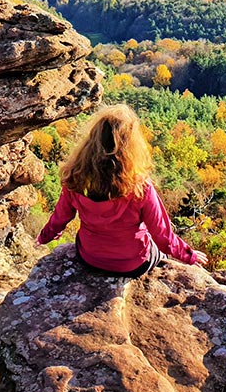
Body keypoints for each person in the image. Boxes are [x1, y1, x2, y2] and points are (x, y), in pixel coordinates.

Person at [37, 103, 208, 277]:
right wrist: (189, 255)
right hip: (132, 264)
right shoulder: (139, 186)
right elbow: (162, 236)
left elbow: (59, 219)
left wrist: (43, 238)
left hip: (90, 258)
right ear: (131, 144)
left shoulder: (76, 178)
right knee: (158, 250)